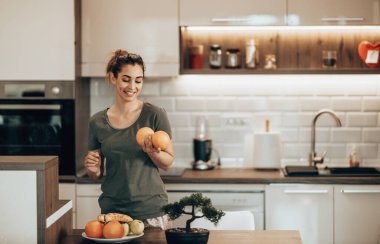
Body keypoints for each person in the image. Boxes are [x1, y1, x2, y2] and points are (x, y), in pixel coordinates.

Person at [84, 49, 174, 230]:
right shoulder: (97, 122)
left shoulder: (154, 114)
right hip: (113, 213)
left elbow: (168, 162)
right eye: (126, 79)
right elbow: (96, 173)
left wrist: (152, 152)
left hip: (151, 211)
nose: (132, 86)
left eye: (138, 80)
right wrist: (91, 168)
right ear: (113, 78)